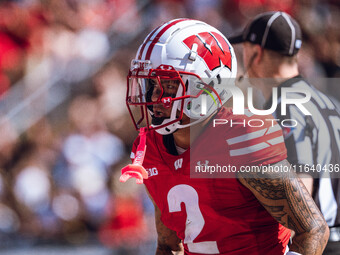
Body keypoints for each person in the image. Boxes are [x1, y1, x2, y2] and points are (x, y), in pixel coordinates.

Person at [120, 18, 329, 255]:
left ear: (208, 86)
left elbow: (313, 229)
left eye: (169, 85)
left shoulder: (241, 138)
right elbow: (168, 245)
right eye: (151, 84)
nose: (155, 97)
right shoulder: (150, 149)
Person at [229, 11, 340, 254]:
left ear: (256, 52)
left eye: (244, 48)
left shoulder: (282, 109)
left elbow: (300, 200)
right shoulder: (330, 102)